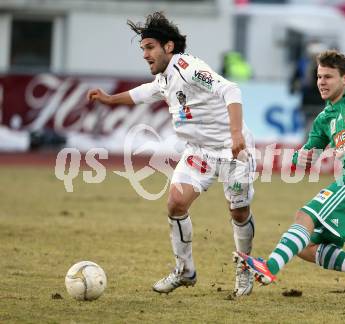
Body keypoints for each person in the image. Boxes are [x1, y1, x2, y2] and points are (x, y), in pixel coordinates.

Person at [86, 12, 256, 296]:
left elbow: (231, 89)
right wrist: (109, 98)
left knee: (239, 212)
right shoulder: (165, 77)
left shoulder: (188, 67)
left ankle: (245, 268)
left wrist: (237, 133)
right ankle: (185, 271)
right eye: (143, 49)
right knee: (176, 203)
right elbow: (143, 92)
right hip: (198, 153)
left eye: (149, 47)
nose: (145, 54)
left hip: (231, 150)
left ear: (168, 47)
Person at [235, 50, 345, 303]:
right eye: (319, 76)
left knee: (304, 216)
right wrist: (301, 158)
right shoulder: (324, 119)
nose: (321, 82)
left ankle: (270, 268)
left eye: (328, 77)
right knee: (306, 246)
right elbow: (308, 152)